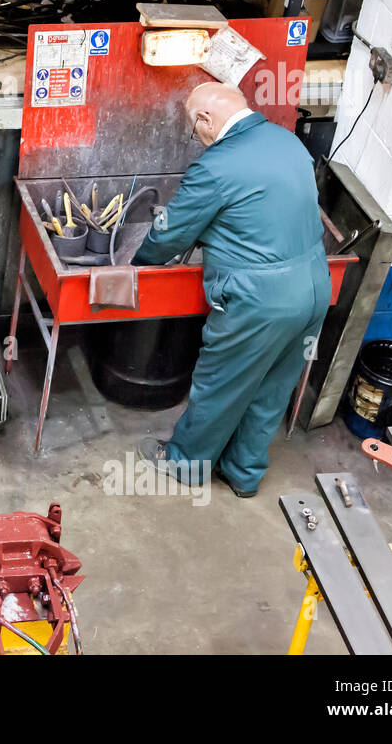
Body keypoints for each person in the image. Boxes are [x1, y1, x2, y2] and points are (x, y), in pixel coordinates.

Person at [134, 82, 331, 497]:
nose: (198, 138)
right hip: (315, 286)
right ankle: (244, 473)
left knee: (221, 384)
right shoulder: (288, 141)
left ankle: (186, 464)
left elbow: (171, 233)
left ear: (205, 118)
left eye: (194, 128)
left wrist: (139, 266)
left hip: (259, 300)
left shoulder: (217, 165)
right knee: (272, 387)